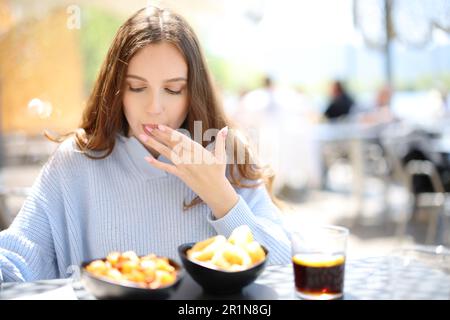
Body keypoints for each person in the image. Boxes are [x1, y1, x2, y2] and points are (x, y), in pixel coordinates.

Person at [0, 6, 291, 282]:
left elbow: (283, 268)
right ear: (117, 91)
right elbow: (16, 261)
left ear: (193, 92)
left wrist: (221, 197)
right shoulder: (76, 162)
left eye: (173, 89)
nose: (154, 107)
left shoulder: (225, 152)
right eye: (137, 87)